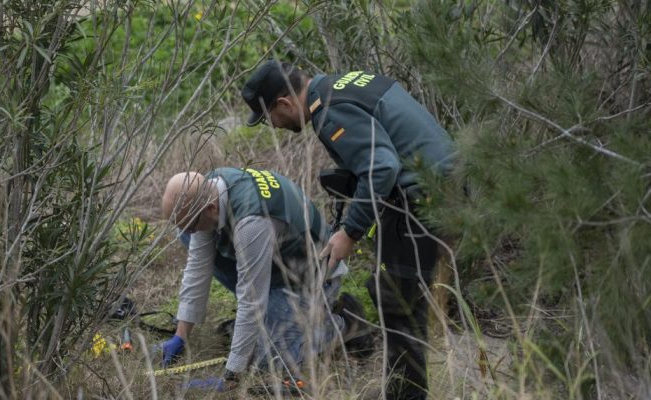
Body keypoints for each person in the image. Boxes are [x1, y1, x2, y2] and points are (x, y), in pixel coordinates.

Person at [241, 60, 456, 399]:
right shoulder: (345, 84)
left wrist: (350, 232)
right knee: (403, 296)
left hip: (422, 199)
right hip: (447, 187)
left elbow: (382, 168)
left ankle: (406, 395)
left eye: (270, 118)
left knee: (396, 301)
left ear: (284, 103)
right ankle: (403, 390)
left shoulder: (330, 112)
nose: (275, 125)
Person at [159, 167, 371, 392]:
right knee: (188, 235)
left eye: (191, 224)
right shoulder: (210, 188)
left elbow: (251, 301)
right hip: (273, 262)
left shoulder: (251, 222)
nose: (190, 231)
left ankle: (344, 324)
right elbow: (198, 268)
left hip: (306, 277)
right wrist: (180, 337)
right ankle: (269, 320)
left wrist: (232, 375)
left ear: (211, 209)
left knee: (268, 362)